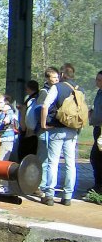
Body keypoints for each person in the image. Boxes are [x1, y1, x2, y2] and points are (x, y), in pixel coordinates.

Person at [40, 63, 82, 206]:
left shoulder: (57, 87)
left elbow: (45, 105)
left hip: (56, 129)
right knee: (70, 164)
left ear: (62, 75)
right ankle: (67, 196)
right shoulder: (79, 89)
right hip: (72, 130)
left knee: (53, 162)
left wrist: (43, 124)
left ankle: (49, 195)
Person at [34, 67, 60, 199]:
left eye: (57, 77)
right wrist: (44, 124)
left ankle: (43, 184)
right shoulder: (44, 92)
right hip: (44, 129)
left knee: (48, 158)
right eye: (53, 77)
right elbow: (40, 109)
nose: (56, 79)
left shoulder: (55, 90)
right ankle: (39, 185)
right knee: (43, 158)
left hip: (49, 128)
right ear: (47, 79)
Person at [17, 80, 39, 159]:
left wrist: (23, 129)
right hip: (35, 132)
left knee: (24, 156)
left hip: (29, 133)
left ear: (28, 89)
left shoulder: (31, 100)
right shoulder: (38, 98)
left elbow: (25, 116)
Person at [88, 70, 102, 194]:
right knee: (95, 158)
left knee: (96, 157)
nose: (97, 82)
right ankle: (98, 184)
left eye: (99, 80)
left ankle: (99, 185)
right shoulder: (99, 92)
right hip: (97, 128)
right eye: (97, 79)